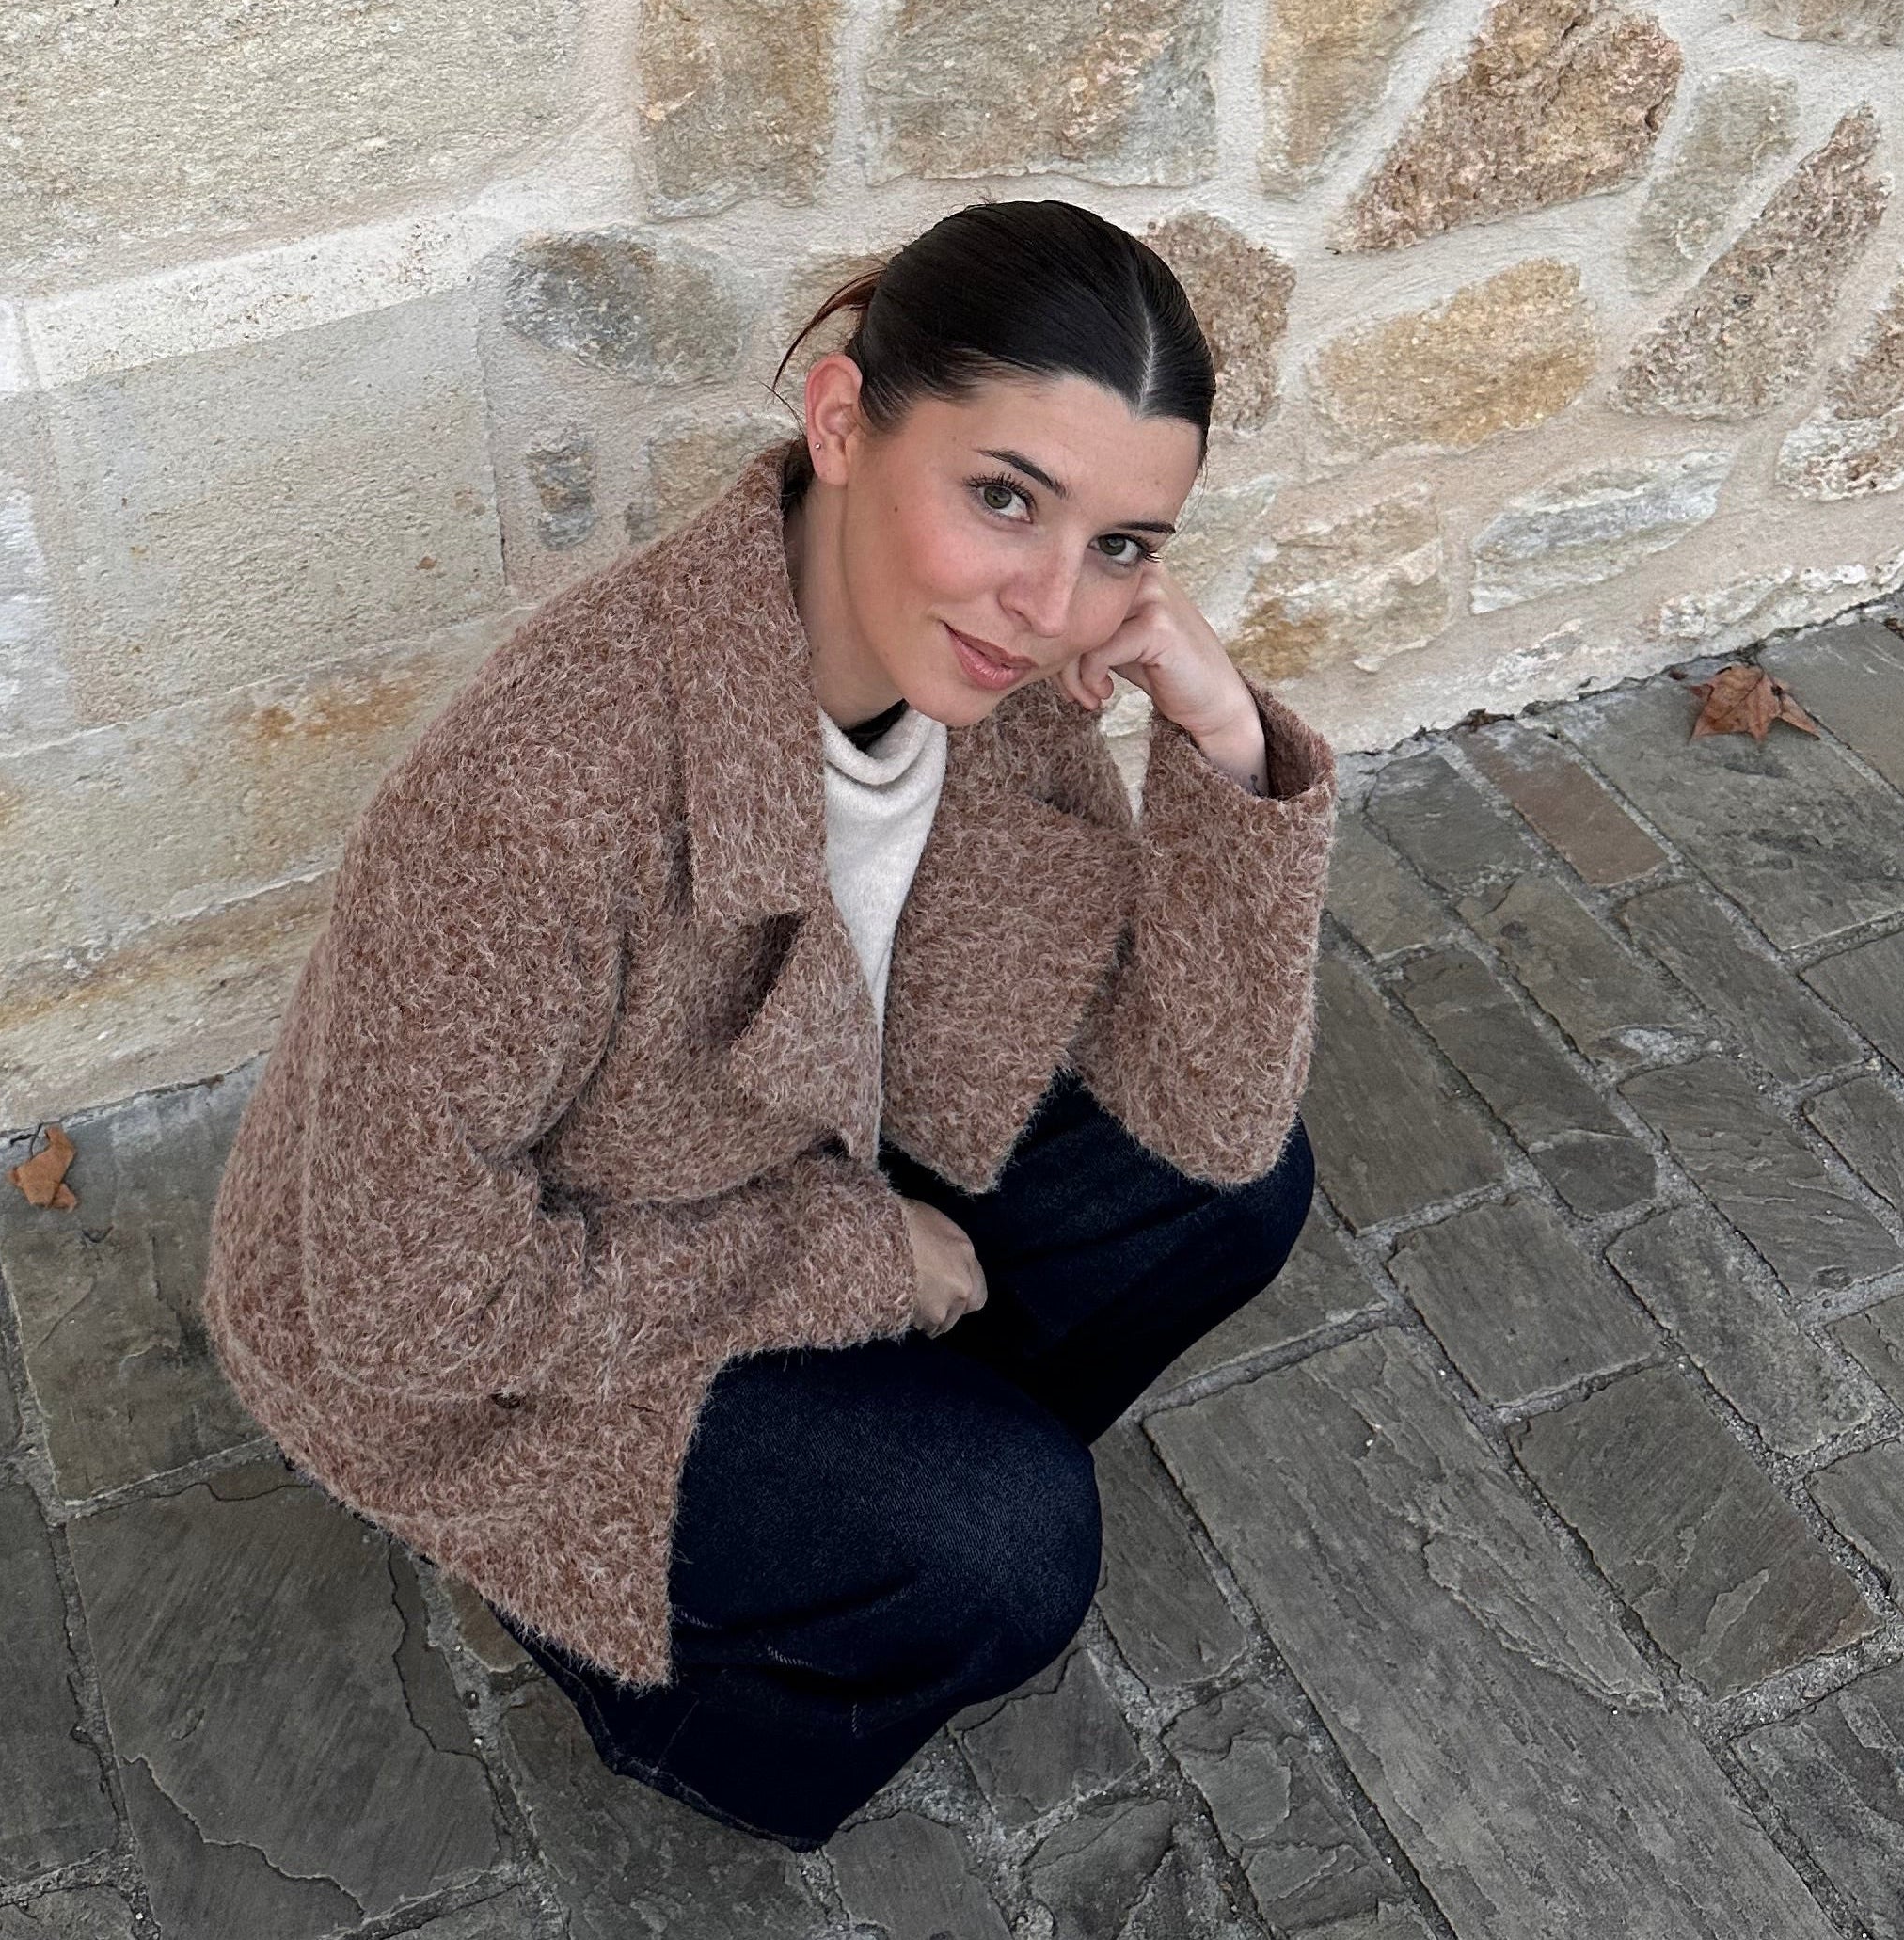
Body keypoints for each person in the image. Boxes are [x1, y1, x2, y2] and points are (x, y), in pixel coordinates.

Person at [200, 198, 1338, 1851]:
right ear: (843, 422)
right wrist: (856, 1263)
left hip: (779, 1168)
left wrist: (1223, 742)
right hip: (487, 1339)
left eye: (1121, 545)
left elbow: (1207, 1111)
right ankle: (671, 1683)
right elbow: (404, 1307)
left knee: (1239, 1192)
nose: (1049, 601)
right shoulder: (548, 797)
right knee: (1016, 1540)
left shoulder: (993, 686)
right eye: (1004, 496)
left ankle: (862, 1490)